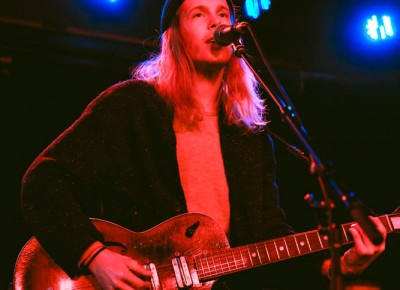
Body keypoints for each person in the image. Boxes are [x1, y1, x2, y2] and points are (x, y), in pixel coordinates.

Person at [20, 0, 387, 289]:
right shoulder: (132, 106)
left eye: (223, 13)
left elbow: (271, 240)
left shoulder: (249, 135)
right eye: (199, 13)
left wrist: (339, 263)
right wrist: (94, 255)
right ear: (174, 35)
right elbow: (43, 182)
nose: (216, 23)